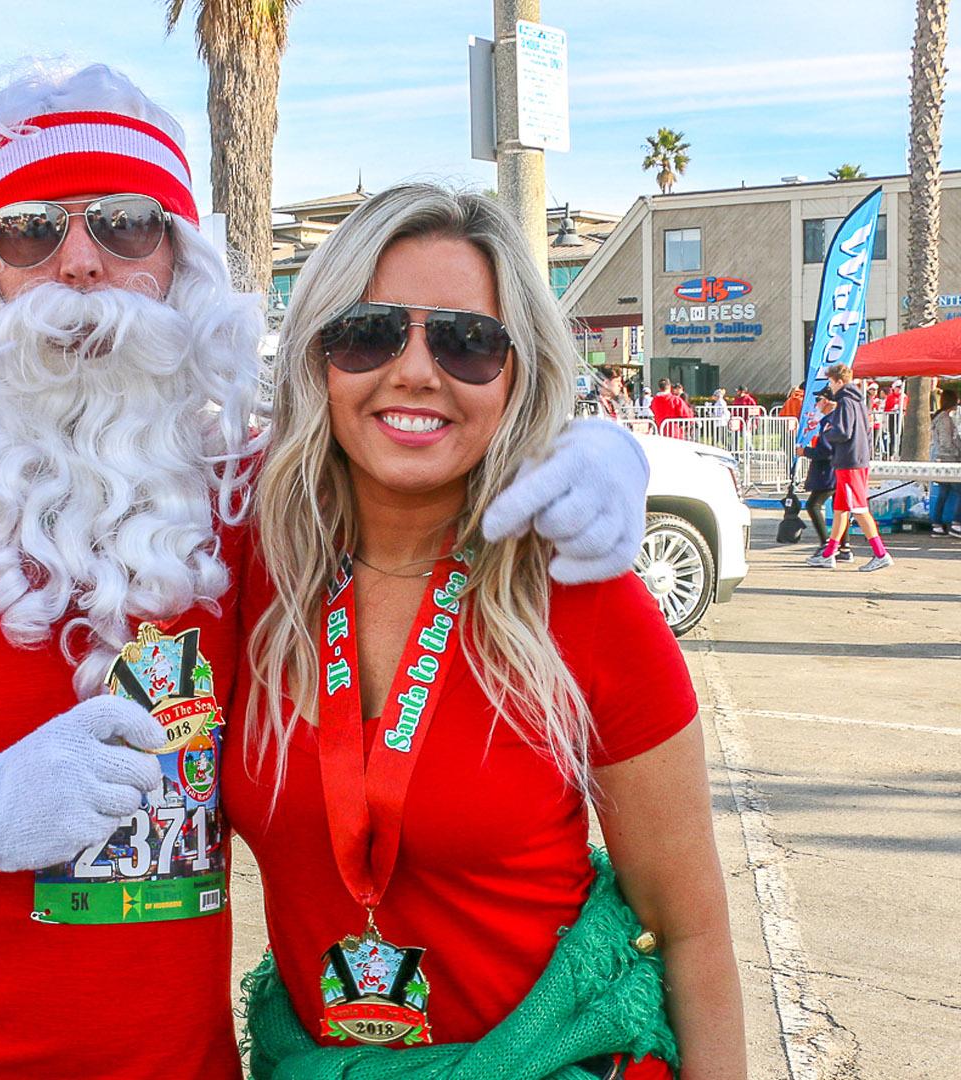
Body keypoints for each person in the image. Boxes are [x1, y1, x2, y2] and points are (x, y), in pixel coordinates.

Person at [0, 62, 649, 1079]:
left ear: (179, 265)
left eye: (125, 224)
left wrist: (571, 451)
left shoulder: (250, 500)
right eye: (32, 230)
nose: (80, 263)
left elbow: (417, 450)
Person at [229, 183, 743, 1078]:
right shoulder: (249, 574)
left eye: (469, 342)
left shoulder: (586, 598)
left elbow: (689, 927)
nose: (416, 371)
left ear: (517, 373)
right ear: (316, 357)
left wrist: (609, 445)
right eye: (370, 332)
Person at [807, 364, 892, 571]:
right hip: (857, 459)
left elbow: (843, 432)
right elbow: (865, 433)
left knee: (859, 509)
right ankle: (828, 554)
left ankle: (881, 553)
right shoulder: (859, 402)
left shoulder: (844, 402)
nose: (830, 386)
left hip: (848, 462)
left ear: (839, 381)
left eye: (830, 382)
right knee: (841, 510)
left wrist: (827, 432)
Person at [796, 388, 852, 561]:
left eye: (819, 400)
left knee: (813, 505)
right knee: (839, 509)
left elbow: (826, 450)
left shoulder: (830, 421)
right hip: (838, 469)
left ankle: (826, 544)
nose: (817, 404)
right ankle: (844, 547)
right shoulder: (835, 419)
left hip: (829, 471)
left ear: (827, 401)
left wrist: (805, 451)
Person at [929, 387, 961, 536]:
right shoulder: (945, 420)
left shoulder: (940, 417)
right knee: (958, 489)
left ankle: (936, 523)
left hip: (940, 458)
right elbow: (946, 442)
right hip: (947, 459)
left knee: (943, 491)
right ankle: (956, 523)